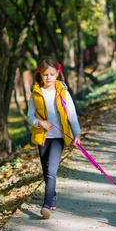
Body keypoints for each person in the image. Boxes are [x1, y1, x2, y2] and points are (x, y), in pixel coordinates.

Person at [27, 56, 81, 219]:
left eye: (51, 74)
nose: (48, 78)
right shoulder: (36, 93)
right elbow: (29, 116)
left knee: (51, 172)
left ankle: (46, 205)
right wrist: (39, 123)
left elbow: (72, 115)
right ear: (40, 74)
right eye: (45, 74)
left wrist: (77, 133)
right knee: (46, 172)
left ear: (57, 73)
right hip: (43, 138)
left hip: (58, 137)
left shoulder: (63, 92)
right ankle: (53, 195)